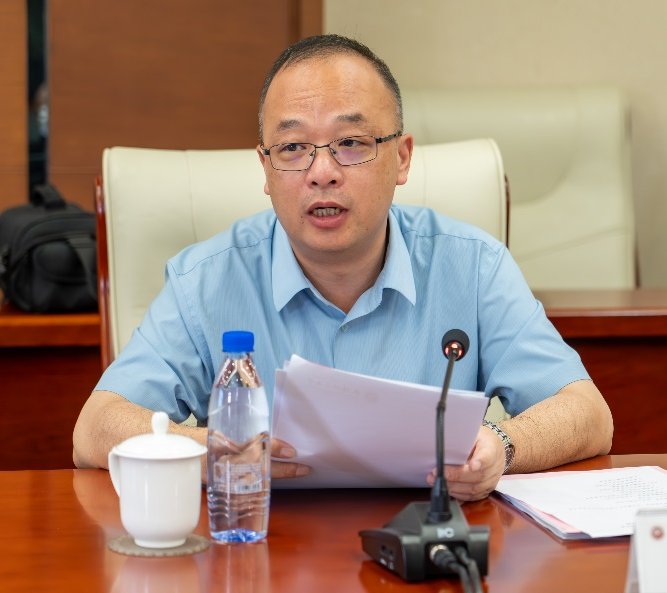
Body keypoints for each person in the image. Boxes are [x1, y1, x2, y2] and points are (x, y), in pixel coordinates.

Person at [72, 34, 613, 501]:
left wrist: (504, 446)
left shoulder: (473, 265)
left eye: (351, 143)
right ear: (265, 168)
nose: (322, 172)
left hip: (426, 548)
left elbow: (587, 413)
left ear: (402, 157)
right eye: (292, 147)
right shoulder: (206, 281)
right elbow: (95, 429)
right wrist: (216, 452)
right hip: (263, 550)